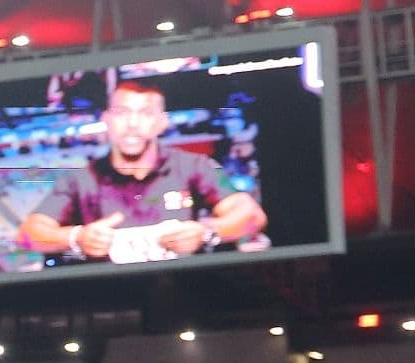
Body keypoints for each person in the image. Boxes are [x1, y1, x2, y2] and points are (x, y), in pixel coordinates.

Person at [17, 81, 267, 265]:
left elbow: (251, 215)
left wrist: (206, 232)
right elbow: (28, 233)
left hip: (190, 291)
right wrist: (76, 237)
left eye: (145, 113)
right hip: (109, 298)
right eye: (122, 113)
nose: (133, 124)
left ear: (162, 122)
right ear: (107, 120)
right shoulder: (79, 180)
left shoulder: (195, 166)